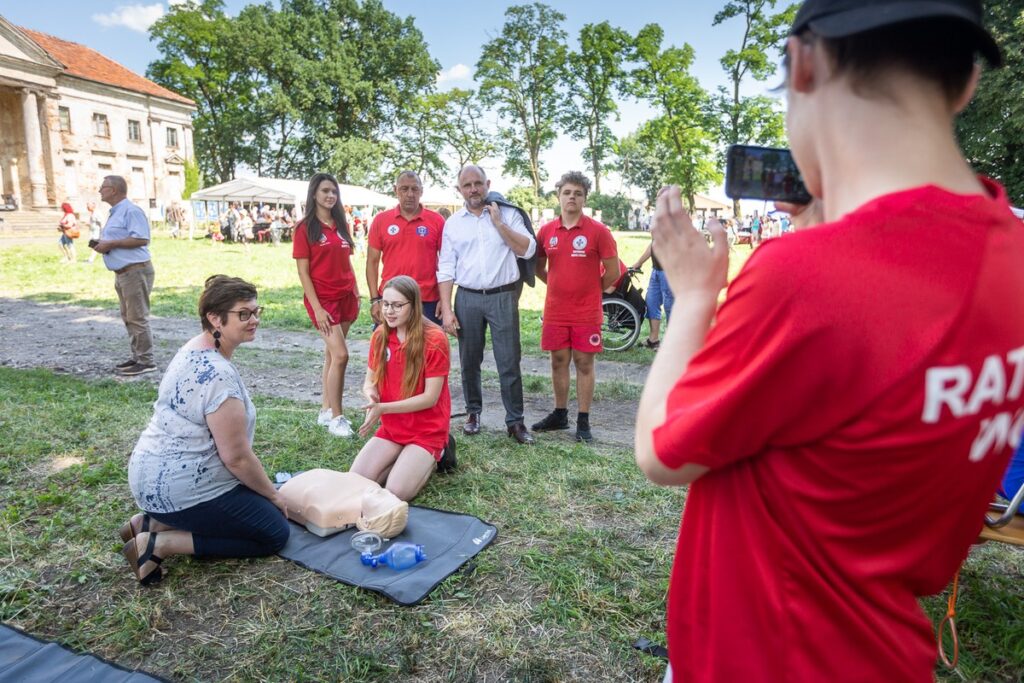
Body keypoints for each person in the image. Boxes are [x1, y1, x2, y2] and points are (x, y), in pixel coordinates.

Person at [633, 2, 1023, 681]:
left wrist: (695, 295)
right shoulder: (1013, 259)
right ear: (966, 85)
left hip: (761, 657)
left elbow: (663, 449)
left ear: (804, 62)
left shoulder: (805, 278)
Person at [120, 275, 289, 585]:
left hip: (147, 478)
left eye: (256, 311)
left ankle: (150, 522)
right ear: (215, 318)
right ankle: (160, 544)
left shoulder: (191, 349)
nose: (254, 320)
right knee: (274, 532)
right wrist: (274, 496)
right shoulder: (219, 376)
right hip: (182, 489)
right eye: (244, 314)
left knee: (255, 501)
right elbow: (236, 458)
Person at [437, 165, 537, 445]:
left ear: (487, 183)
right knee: (469, 359)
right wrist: (446, 309)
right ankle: (473, 412)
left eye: (478, 183)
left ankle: (515, 421)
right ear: (459, 190)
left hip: (503, 295)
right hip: (467, 296)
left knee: (509, 360)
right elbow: (445, 267)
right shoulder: (453, 224)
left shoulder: (509, 214)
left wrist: (499, 224)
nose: (473, 189)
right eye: (467, 185)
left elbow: (527, 249)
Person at [532, 171, 618, 443]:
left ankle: (583, 421)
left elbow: (614, 272)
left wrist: (591, 290)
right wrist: (556, 285)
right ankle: (559, 414)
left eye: (577, 193)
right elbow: (537, 267)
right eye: (567, 192)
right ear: (558, 196)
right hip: (556, 311)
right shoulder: (546, 231)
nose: (572, 197)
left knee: (584, 363)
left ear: (584, 199)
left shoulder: (598, 231)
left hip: (586, 313)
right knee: (558, 362)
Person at [351, 275, 452, 500]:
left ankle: (440, 452)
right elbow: (370, 381)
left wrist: (384, 408)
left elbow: (430, 398)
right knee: (355, 481)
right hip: (393, 428)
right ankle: (403, 458)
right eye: (386, 304)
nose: (389, 311)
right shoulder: (380, 334)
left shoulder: (435, 339)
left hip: (426, 430)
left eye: (397, 305)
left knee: (395, 493)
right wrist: (371, 396)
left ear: (414, 305)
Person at [293, 173, 360, 438]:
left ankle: (325, 409)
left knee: (332, 355)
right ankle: (337, 416)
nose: (330, 196)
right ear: (314, 195)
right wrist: (317, 307)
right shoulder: (305, 228)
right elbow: (303, 273)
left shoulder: (341, 224)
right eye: (325, 191)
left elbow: (347, 260)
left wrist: (355, 288)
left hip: (346, 298)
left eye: (333, 191)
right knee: (341, 355)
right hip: (323, 301)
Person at [91, 175, 157, 376]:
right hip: (124, 273)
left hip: (135, 271)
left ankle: (146, 361)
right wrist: (104, 245)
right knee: (128, 316)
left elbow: (142, 238)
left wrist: (110, 244)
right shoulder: (116, 212)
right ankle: (137, 357)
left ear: (114, 189)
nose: (100, 190)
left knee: (137, 317)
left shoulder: (131, 210)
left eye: (103, 187)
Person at [366, 171, 446, 326]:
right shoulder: (381, 220)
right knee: (387, 348)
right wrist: (375, 300)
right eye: (404, 189)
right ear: (396, 190)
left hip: (427, 300)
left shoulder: (436, 221)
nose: (410, 194)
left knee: (426, 348)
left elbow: (446, 263)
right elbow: (372, 262)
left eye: (415, 189)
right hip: (390, 299)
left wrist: (444, 300)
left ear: (421, 191)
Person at [630, 240, 673, 350]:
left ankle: (672, 343)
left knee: (670, 307)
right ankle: (653, 340)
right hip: (656, 270)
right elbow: (654, 243)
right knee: (651, 303)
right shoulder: (659, 225)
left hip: (670, 271)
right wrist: (639, 262)